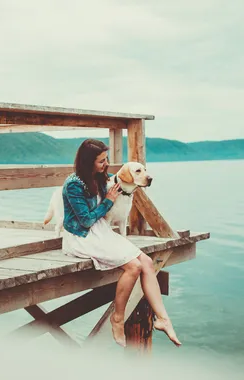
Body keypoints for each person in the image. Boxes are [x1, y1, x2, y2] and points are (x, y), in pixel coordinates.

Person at [61, 138, 181, 348]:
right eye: (100, 161)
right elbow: (86, 220)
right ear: (87, 162)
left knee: (146, 263)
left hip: (100, 231)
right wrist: (108, 200)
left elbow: (122, 181)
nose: (105, 165)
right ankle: (117, 318)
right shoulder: (73, 185)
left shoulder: (99, 177)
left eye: (106, 159)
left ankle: (163, 319)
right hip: (81, 236)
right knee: (133, 266)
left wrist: (135, 181)